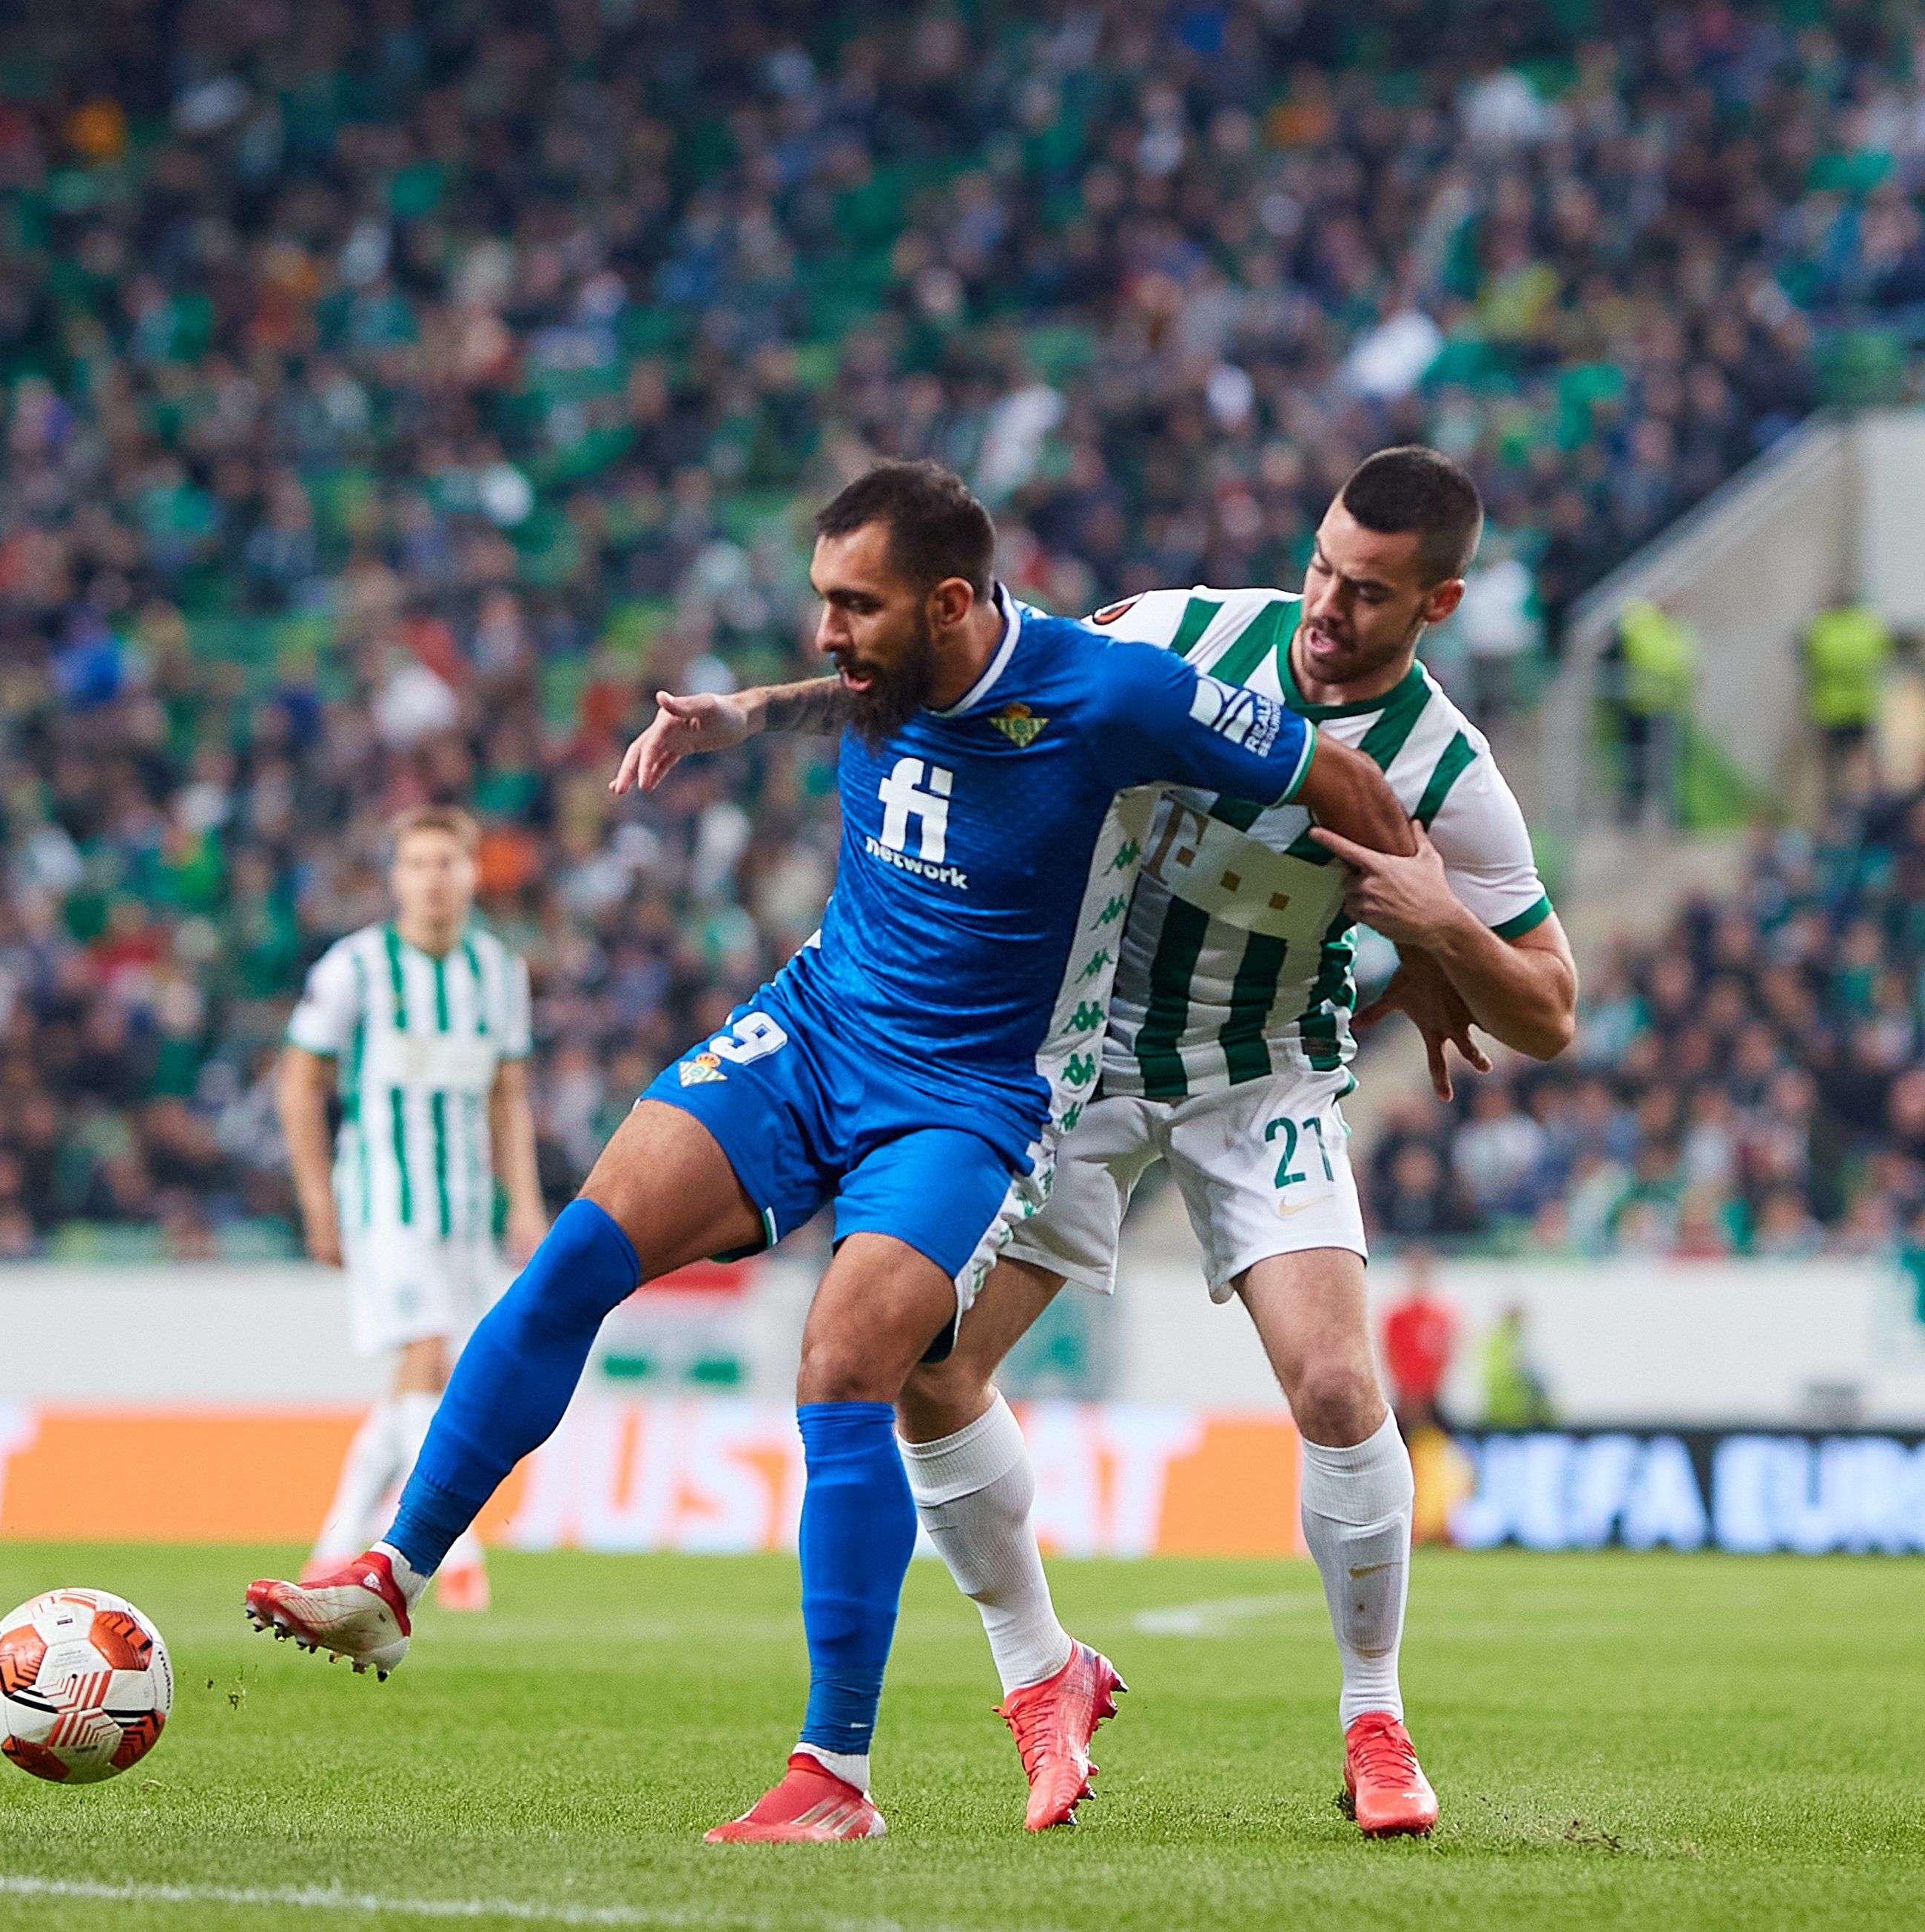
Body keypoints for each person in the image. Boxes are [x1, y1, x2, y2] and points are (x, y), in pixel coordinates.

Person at [242, 461, 1414, 1842]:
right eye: (822, 600)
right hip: (813, 1025)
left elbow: (1340, 776)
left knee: (846, 1365)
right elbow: (843, 691)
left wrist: (1439, 946)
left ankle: (835, 1777)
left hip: (970, 1096)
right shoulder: (882, 671)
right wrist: (739, 716)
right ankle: (393, 1574)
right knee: (574, 1257)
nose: (826, 630)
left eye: (854, 604)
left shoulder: (1113, 695)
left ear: (952, 602)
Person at [623, 446, 1579, 1839]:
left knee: (1332, 1382)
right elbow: (970, 676)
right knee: (928, 1369)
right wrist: (751, 713)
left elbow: (1549, 1006)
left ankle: (1376, 1716)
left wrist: (1444, 933)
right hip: (1075, 1054)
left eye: (1369, 592)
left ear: (1439, 605)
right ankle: (1041, 1669)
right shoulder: (1179, 634)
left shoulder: (1450, 769)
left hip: (1262, 1073)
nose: (1327, 604)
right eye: (1321, 566)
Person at [276, 805, 542, 1613]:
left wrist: (524, 1203)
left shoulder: (497, 972)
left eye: (447, 863)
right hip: (384, 1200)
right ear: (395, 878)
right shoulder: (355, 967)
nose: (434, 879)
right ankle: (454, 1551)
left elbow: (508, 1095)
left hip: (464, 1207)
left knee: (426, 1375)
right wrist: (317, 1199)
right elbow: (299, 1081)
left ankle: (332, 1544)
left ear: (472, 873)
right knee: (426, 1352)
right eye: (418, 864)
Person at [1610, 597, 1697, 827]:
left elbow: (1686, 664)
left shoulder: (1678, 627)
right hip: (1640, 705)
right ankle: (1633, 820)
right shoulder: (1640, 619)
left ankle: (1670, 821)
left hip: (1669, 708)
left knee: (1668, 771)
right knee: (1636, 765)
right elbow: (1655, 658)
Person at [1798, 598, 1894, 802]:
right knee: (1862, 764)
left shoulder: (1821, 629)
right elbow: (1885, 653)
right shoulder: (1868, 626)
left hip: (1830, 711)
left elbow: (1804, 655)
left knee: (1831, 770)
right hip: (1862, 709)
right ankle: (1868, 803)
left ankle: (1835, 806)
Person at [1381, 1252, 1457, 1435]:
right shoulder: (1398, 1317)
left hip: (1431, 1398)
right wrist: (1408, 1392)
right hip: (1405, 1396)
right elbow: (1392, 1355)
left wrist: (1426, 1392)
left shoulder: (1441, 1316)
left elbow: (1443, 1357)